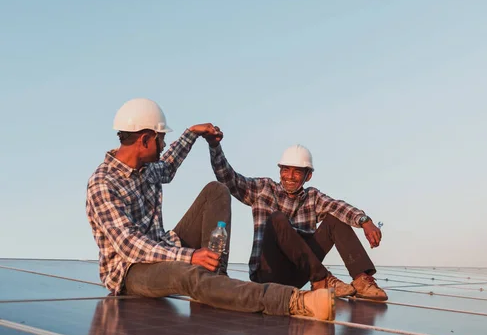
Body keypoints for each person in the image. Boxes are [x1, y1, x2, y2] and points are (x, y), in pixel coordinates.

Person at [85, 98, 335, 320]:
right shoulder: (103, 183)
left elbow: (169, 165)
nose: (164, 144)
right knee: (188, 274)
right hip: (131, 271)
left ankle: (218, 279)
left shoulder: (145, 169)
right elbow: (130, 245)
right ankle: (292, 301)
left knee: (216, 190)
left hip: (163, 245)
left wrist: (193, 133)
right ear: (145, 139)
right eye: (161, 138)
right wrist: (190, 256)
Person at [208, 130, 388, 301]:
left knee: (335, 217)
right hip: (268, 272)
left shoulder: (312, 197)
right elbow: (228, 178)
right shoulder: (262, 189)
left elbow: (337, 206)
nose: (290, 176)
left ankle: (361, 280)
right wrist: (215, 146)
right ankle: (322, 279)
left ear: (308, 176)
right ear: (280, 171)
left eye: (297, 171)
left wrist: (365, 221)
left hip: (300, 272)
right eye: (286, 170)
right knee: (277, 219)